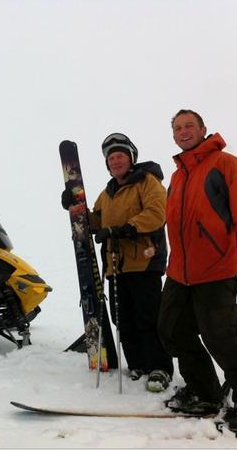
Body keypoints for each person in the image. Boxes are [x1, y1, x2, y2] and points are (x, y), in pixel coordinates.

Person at [158, 109, 237, 433]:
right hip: (180, 272)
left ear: (203, 129)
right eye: (178, 127)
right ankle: (204, 391)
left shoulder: (227, 164)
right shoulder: (179, 175)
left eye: (189, 126)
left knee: (222, 337)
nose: (183, 131)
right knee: (172, 330)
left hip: (215, 270)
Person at [62, 133, 173, 392]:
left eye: (120, 155)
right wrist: (75, 209)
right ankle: (137, 365)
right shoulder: (108, 192)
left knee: (148, 318)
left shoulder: (148, 182)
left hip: (144, 263)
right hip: (116, 266)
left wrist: (123, 229)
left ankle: (159, 368)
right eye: (111, 158)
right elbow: (97, 222)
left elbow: (157, 214)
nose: (115, 161)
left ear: (131, 157)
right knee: (123, 320)